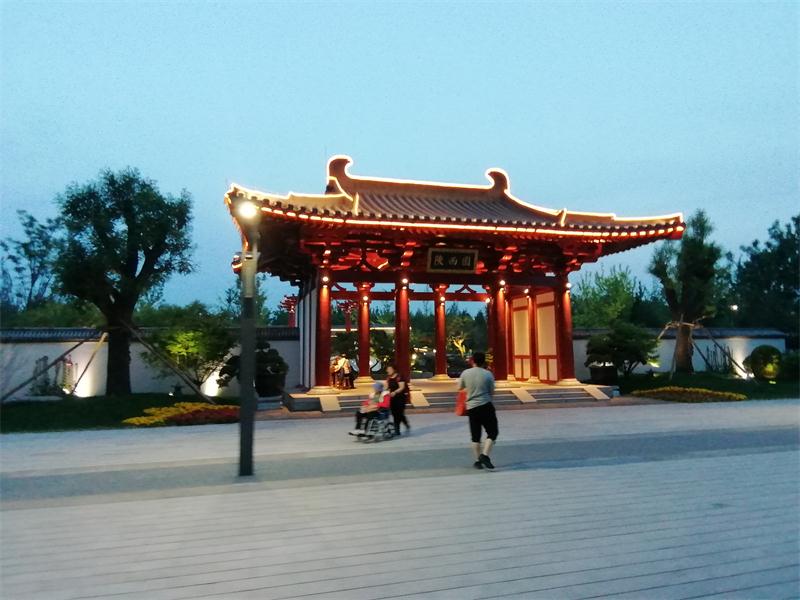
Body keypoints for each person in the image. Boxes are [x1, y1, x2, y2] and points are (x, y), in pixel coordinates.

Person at [457, 351, 497, 469]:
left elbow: (460, 387)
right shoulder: (488, 374)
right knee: (492, 432)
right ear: (484, 361)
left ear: (473, 361)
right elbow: (492, 392)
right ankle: (484, 455)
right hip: (486, 405)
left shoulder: (465, 373)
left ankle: (477, 461)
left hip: (471, 407)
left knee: (475, 435)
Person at [386, 364, 410, 436]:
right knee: (395, 414)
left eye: (389, 369)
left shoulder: (399, 377)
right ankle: (406, 423)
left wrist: (395, 392)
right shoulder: (388, 378)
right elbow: (387, 387)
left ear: (394, 370)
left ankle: (397, 430)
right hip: (392, 398)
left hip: (400, 398)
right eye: (387, 369)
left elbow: (401, 387)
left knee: (398, 414)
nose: (388, 371)